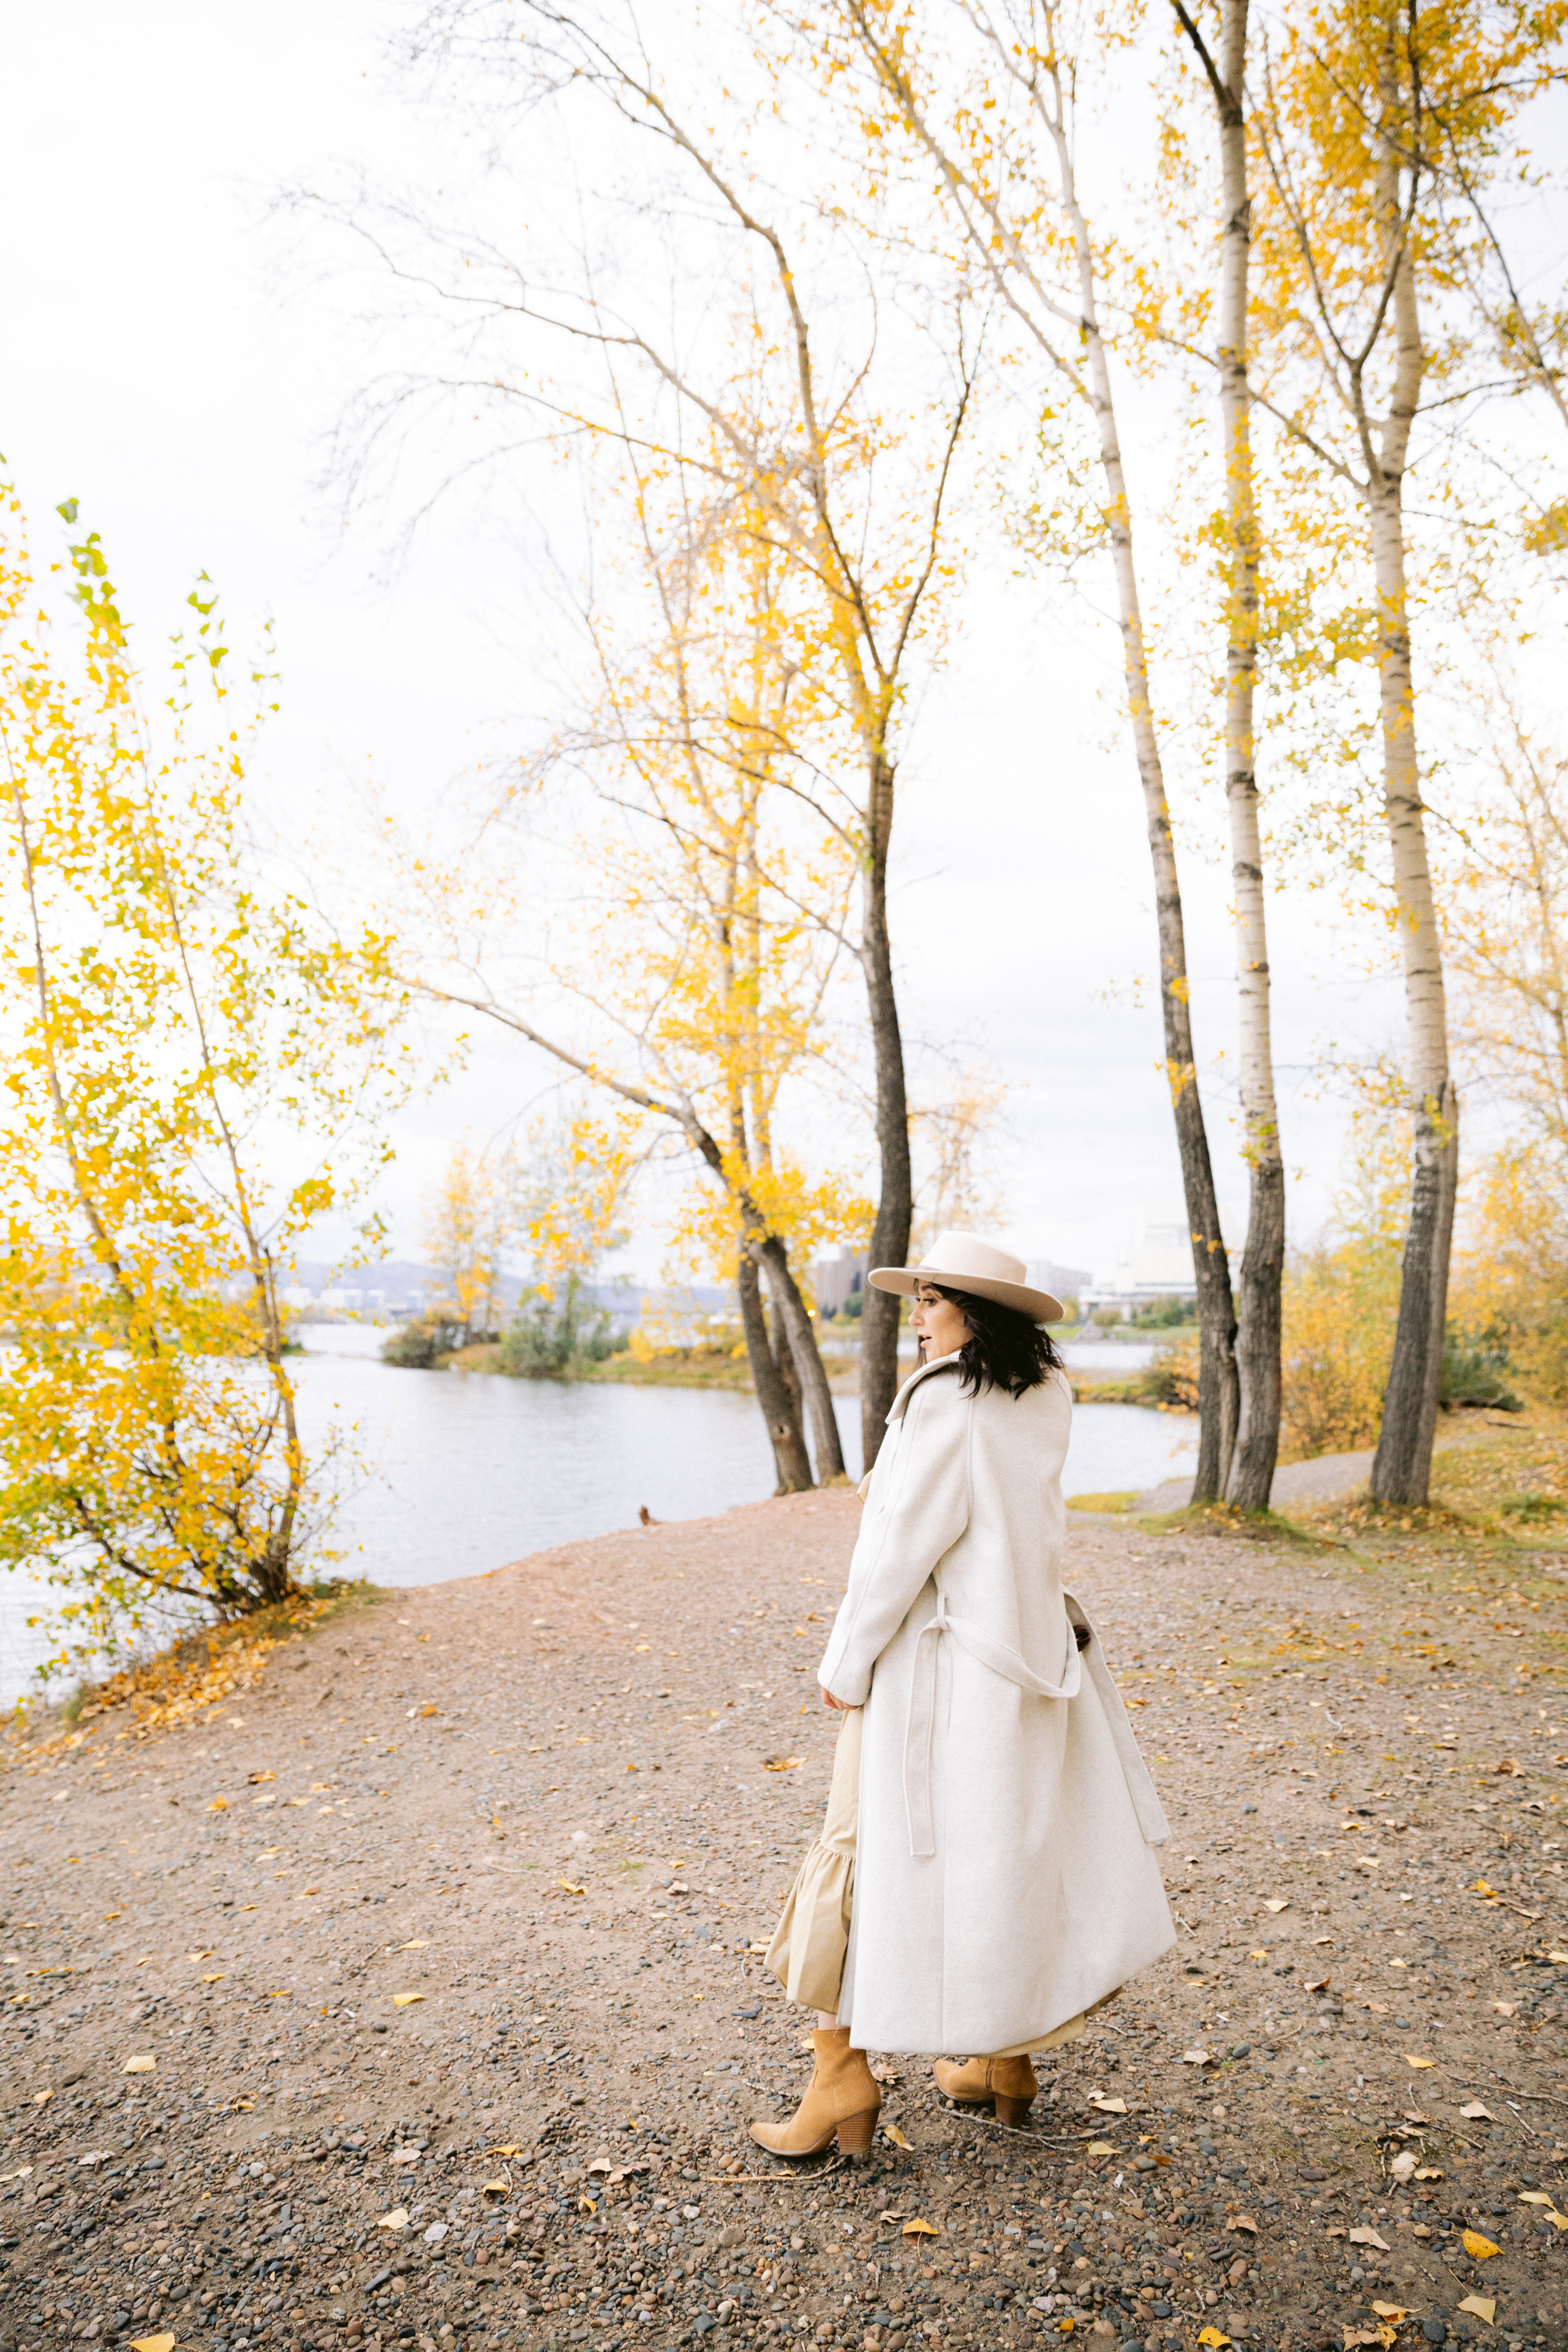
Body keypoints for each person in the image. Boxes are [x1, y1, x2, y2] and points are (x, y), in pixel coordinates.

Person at [752, 1230, 1174, 2162]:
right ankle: (1000, 2066)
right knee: (998, 1859)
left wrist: (846, 1660)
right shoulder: (1045, 1393)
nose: (919, 1318)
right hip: (1023, 1660)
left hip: (937, 1673)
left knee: (859, 1843)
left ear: (974, 1314)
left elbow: (902, 1541)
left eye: (933, 1301)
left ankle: (839, 2079)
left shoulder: (949, 1400)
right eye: (918, 1301)